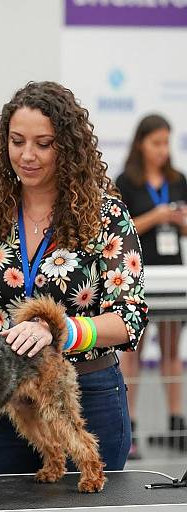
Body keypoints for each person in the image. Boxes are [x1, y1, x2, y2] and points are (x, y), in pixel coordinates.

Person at [0, 81, 148, 473]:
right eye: (17, 140)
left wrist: (60, 331)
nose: (27, 155)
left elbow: (130, 318)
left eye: (44, 143)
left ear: (70, 147)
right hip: (0, 399)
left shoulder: (105, 216)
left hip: (88, 395)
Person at [116, 114, 187, 459]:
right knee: (134, 354)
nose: (162, 150)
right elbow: (123, 227)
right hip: (140, 275)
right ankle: (132, 426)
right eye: (156, 142)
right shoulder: (126, 182)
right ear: (141, 143)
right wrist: (158, 215)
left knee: (173, 352)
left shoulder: (177, 180)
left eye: (166, 143)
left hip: (173, 275)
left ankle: (176, 424)